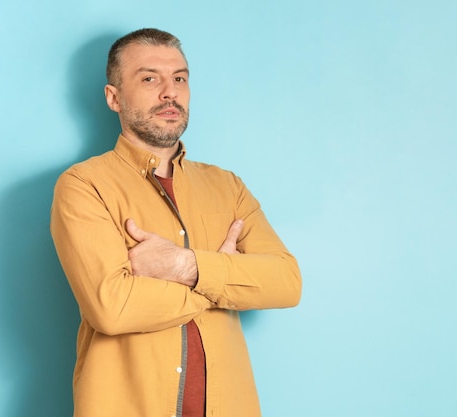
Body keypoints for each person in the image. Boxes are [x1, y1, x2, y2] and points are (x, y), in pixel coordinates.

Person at [51, 28, 302, 417]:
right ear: (113, 97)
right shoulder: (85, 185)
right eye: (150, 79)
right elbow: (112, 308)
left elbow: (286, 283)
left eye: (180, 79)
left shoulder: (227, 186)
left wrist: (184, 266)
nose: (170, 92)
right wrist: (221, 278)